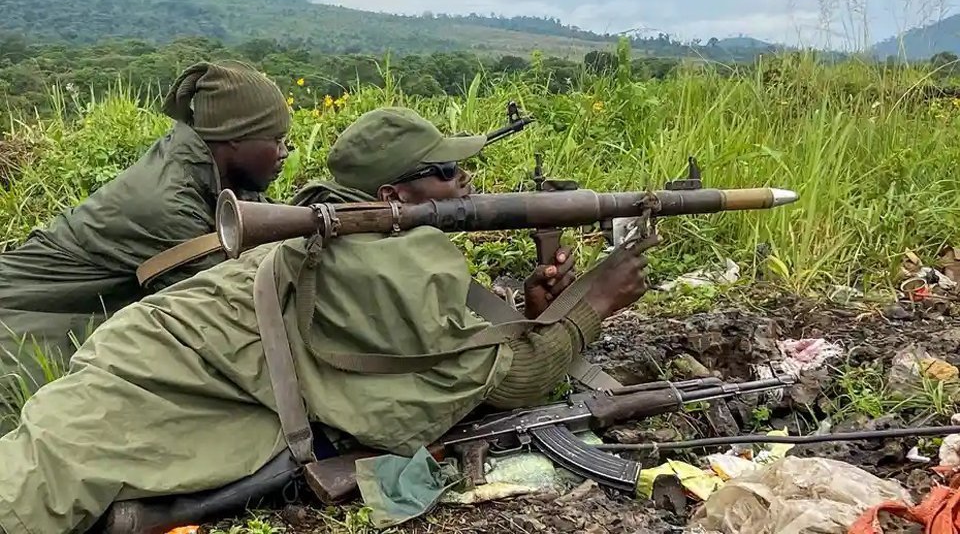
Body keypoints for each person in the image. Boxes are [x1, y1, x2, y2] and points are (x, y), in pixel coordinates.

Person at [0, 107, 659, 534]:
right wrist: (595, 302)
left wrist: (528, 315)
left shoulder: (348, 232)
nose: (466, 181)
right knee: (32, 490)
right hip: (153, 381)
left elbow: (437, 341)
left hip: (157, 359)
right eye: (446, 171)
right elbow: (509, 382)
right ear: (391, 197)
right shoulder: (379, 268)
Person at [0, 60, 291, 412]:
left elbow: (271, 222)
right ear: (234, 136)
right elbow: (236, 301)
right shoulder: (170, 202)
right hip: (29, 309)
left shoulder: (209, 168)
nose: (284, 153)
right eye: (276, 140)